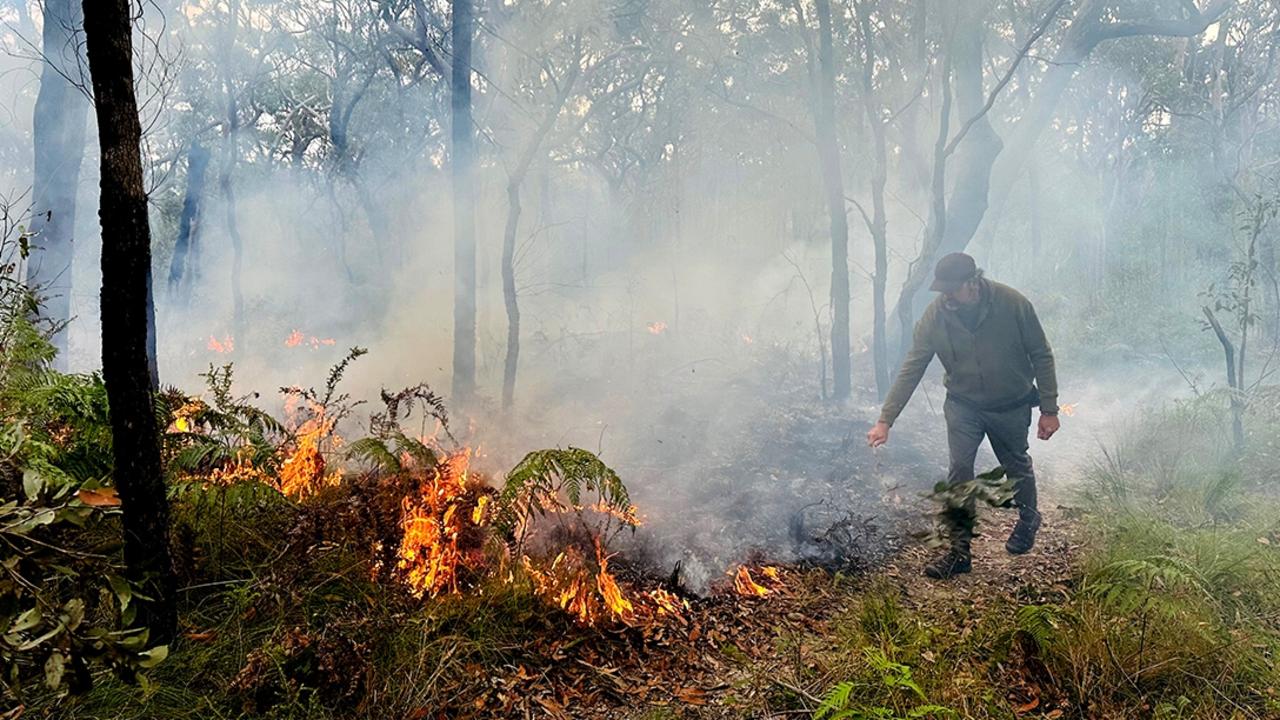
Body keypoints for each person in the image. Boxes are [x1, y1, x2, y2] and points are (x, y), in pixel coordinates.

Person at [866, 252, 1060, 579]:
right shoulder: (935, 316)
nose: (947, 296)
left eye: (953, 289)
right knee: (959, 471)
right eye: (943, 290)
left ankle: (1028, 519)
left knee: (1015, 464)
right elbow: (913, 367)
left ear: (973, 283)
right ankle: (959, 552)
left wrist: (1049, 409)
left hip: (1010, 404)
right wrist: (886, 419)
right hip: (963, 406)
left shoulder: (1013, 304)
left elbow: (1041, 354)